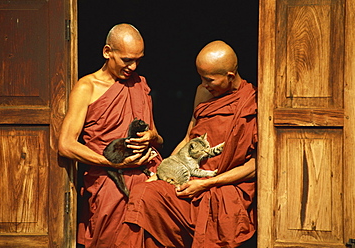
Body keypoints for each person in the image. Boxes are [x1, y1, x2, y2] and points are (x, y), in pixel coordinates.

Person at [114, 40, 257, 248]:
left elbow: (256, 166)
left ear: (230, 76)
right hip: (188, 177)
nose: (203, 84)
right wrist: (163, 171)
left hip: (224, 186)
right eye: (200, 77)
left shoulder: (253, 102)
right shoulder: (203, 93)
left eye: (209, 80)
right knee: (144, 194)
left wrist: (207, 183)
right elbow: (189, 138)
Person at [58, 23, 163, 248]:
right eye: (126, 60)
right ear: (107, 52)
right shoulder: (87, 87)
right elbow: (66, 144)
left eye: (138, 60)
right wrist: (112, 163)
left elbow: (158, 140)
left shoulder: (140, 85)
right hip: (109, 185)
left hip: (146, 183)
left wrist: (152, 137)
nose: (133, 67)